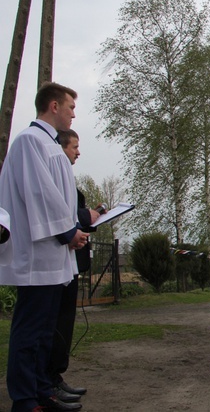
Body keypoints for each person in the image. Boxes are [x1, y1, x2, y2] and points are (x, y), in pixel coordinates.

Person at [0, 83, 88, 412]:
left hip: (53, 255)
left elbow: (61, 200)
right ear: (53, 106)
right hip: (37, 255)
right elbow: (40, 195)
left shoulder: (50, 146)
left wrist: (73, 229)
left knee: (44, 330)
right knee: (30, 328)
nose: (73, 114)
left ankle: (41, 388)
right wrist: (68, 232)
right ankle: (23, 399)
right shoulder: (29, 141)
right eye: (70, 107)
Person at [48, 129, 104, 402]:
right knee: (55, 324)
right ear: (61, 148)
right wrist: (87, 215)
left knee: (64, 323)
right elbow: (61, 213)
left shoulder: (68, 181)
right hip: (54, 261)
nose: (78, 152)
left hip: (69, 261)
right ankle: (48, 381)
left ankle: (56, 376)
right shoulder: (53, 177)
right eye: (74, 147)